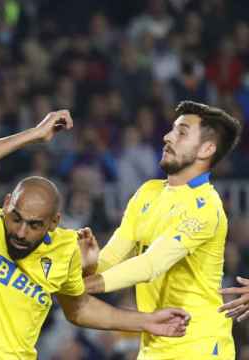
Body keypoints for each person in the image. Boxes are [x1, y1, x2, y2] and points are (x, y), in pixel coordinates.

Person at [0, 109, 190, 359]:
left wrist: (147, 320)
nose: (20, 231)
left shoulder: (64, 249)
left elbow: (79, 309)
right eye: (16, 218)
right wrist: (35, 135)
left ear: (54, 223)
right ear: (6, 203)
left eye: (34, 225)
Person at [81, 101, 243, 359]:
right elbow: (112, 257)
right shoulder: (148, 192)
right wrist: (88, 267)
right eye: (171, 130)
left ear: (207, 149)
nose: (167, 137)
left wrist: (82, 287)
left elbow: (151, 263)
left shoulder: (206, 207)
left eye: (181, 132)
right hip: (155, 344)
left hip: (200, 345)